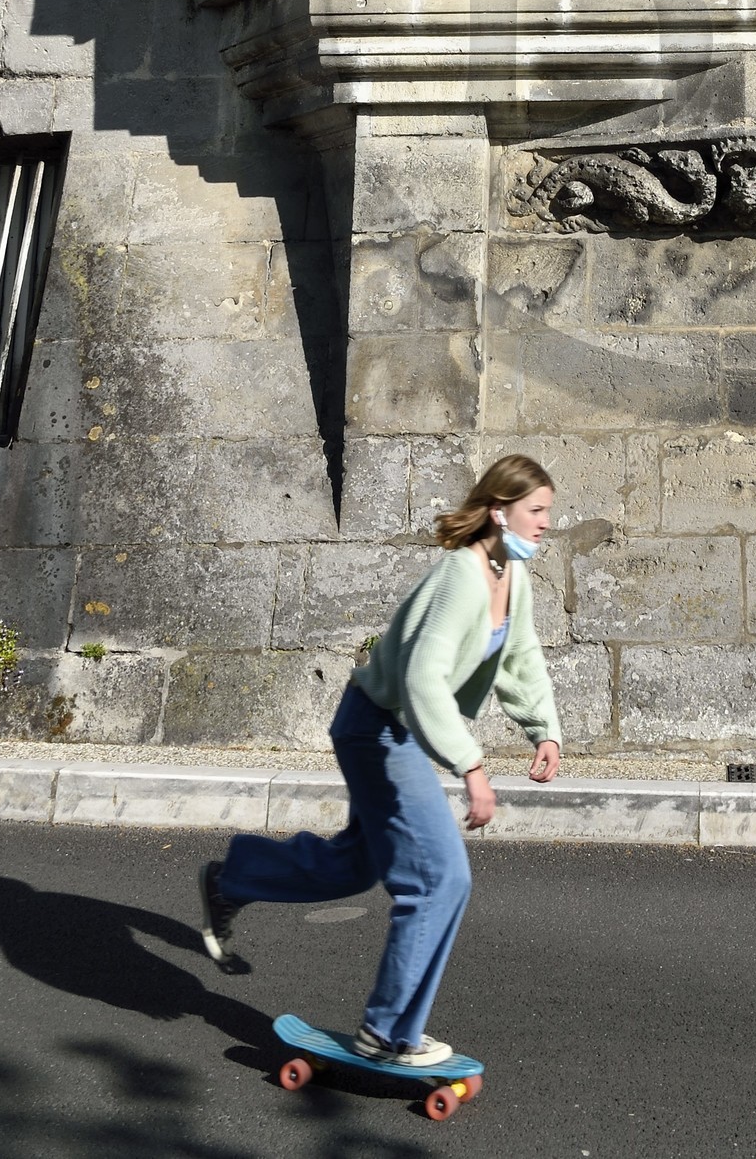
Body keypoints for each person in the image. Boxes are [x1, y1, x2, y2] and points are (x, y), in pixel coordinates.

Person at [197, 452, 562, 1065]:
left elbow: (520, 655)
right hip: (380, 730)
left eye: (549, 511)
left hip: (403, 734)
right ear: (500, 512)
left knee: (354, 866)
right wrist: (472, 768)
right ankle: (387, 1032)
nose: (548, 522)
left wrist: (542, 730)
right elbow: (422, 679)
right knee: (439, 878)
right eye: (538, 510)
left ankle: (234, 876)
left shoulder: (510, 575)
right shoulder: (461, 576)